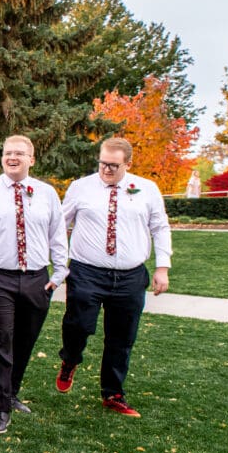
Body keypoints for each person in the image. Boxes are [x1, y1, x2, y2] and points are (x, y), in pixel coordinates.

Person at [56, 137, 172, 418]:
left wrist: (162, 267)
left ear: (128, 164)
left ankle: (113, 393)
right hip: (87, 272)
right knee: (78, 325)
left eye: (113, 165)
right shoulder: (81, 187)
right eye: (102, 163)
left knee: (122, 338)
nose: (106, 170)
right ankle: (70, 360)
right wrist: (57, 262)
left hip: (131, 276)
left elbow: (160, 226)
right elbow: (59, 223)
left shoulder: (147, 189)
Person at [0, 135, 68, 434]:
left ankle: (11, 393)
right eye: (7, 153)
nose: (12, 157)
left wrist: (58, 272)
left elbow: (58, 232)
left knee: (24, 342)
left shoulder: (47, 193)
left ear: (32, 159)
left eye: (19, 153)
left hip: (37, 279)